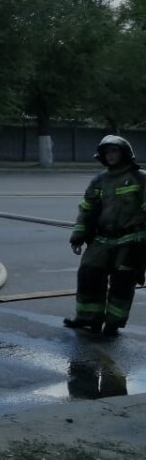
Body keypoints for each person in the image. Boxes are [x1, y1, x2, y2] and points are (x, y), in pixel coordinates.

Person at [65, 134, 146, 337]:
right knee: (88, 274)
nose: (110, 156)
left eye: (114, 151)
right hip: (101, 239)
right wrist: (78, 236)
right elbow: (87, 209)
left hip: (130, 240)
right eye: (107, 152)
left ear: (124, 153)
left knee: (122, 282)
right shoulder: (99, 181)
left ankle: (113, 324)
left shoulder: (140, 178)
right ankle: (88, 319)